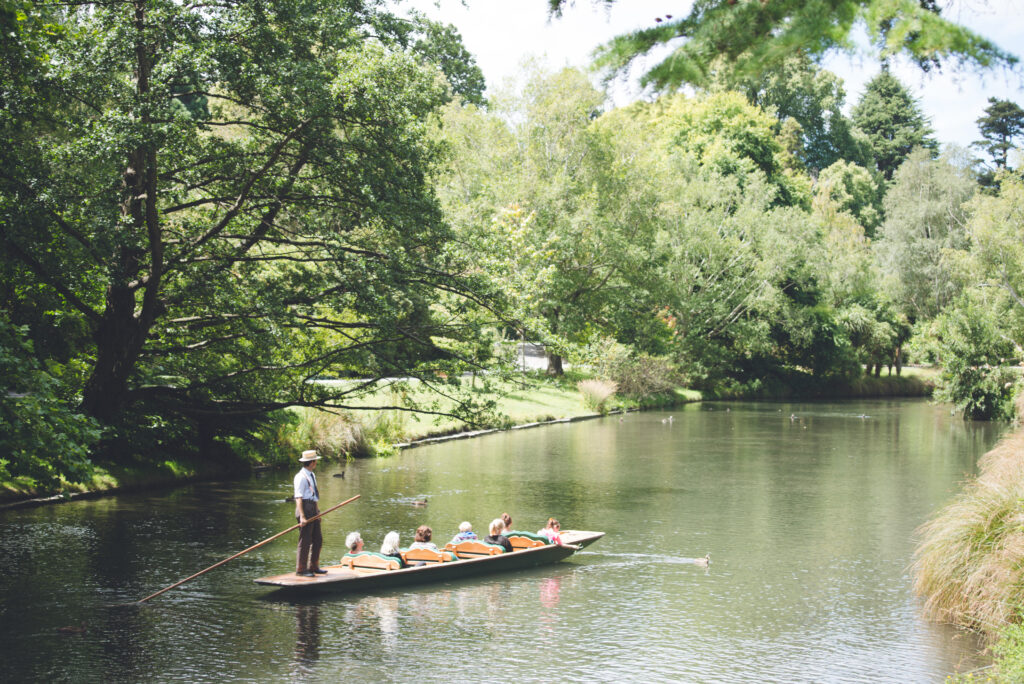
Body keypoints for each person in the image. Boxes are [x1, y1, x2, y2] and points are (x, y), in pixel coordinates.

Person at [294, 450, 326, 577]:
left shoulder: (312, 475)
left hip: (312, 507)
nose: (316, 462)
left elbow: (314, 495)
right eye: (316, 460)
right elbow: (298, 497)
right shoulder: (300, 477)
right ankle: (301, 569)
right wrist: (302, 516)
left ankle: (314, 566)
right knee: (305, 540)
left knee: (318, 539)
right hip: (305, 508)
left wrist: (318, 512)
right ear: (312, 462)